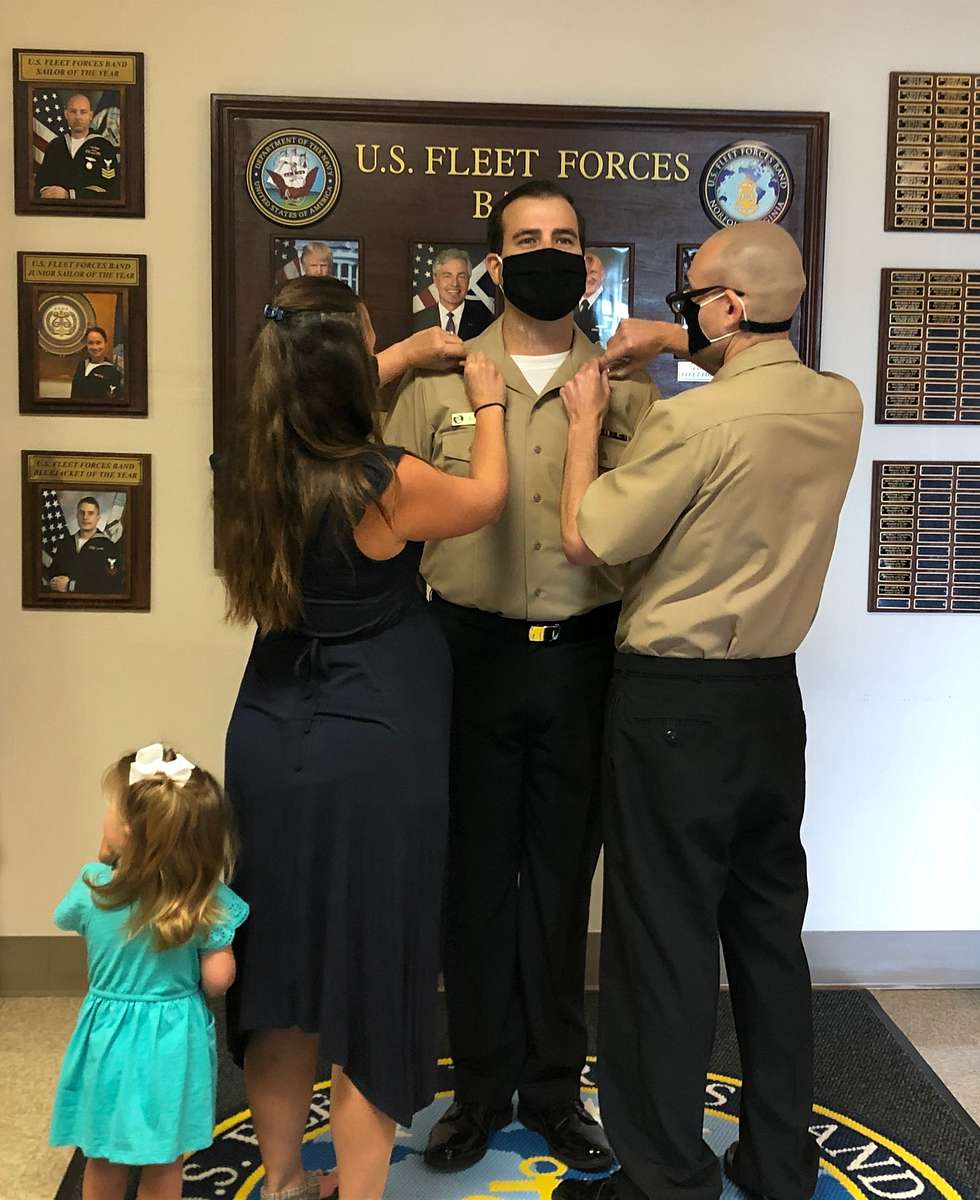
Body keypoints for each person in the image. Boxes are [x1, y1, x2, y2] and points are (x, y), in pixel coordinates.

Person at [551, 222, 862, 1200]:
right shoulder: (837, 405)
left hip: (671, 707)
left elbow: (586, 535)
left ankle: (661, 1178)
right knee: (766, 938)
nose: (684, 310)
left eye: (695, 297)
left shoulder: (692, 425)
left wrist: (580, 421)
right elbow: (755, 372)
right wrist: (675, 339)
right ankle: (777, 1166)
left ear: (728, 306)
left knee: (661, 947)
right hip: (770, 703)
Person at [384, 180, 659, 1175]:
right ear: (493, 266)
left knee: (557, 885)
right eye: (524, 240)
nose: (546, 254)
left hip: (584, 662)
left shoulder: (624, 388)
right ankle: (477, 1091)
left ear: (588, 267)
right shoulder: (436, 380)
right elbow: (374, 521)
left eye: (565, 241)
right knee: (473, 888)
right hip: (465, 660)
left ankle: (553, 1091)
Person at [216, 275, 508, 1200]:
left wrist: (396, 354)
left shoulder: (244, 470)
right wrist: (489, 403)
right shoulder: (391, 483)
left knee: (281, 972)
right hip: (375, 747)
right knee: (370, 977)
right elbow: (489, 495)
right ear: (349, 367)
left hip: (268, 738)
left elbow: (309, 395)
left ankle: (282, 1181)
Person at [49, 743, 251, 1200]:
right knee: (164, 1159)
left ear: (125, 830)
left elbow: (67, 918)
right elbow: (218, 980)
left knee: (103, 1153)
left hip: (108, 1036)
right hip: (171, 1041)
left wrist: (106, 862)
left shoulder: (94, 887)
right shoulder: (204, 898)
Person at [36, 92, 122, 201]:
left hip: (91, 214)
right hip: (57, 212)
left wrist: (70, 195)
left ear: (91, 115)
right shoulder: (55, 146)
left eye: (83, 112)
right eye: (73, 112)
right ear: (66, 114)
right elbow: (42, 182)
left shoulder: (104, 146)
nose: (78, 117)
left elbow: (110, 191)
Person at [46, 496, 127, 595]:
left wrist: (71, 585)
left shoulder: (108, 546)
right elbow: (53, 573)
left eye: (90, 513)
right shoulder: (65, 543)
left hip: (94, 606)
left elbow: (111, 583)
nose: (85, 517)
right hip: (64, 604)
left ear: (98, 518)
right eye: (82, 513)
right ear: (77, 516)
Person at [413, 248, 493, 339]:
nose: (455, 283)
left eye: (461, 276)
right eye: (447, 276)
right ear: (435, 280)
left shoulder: (486, 321)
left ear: (469, 280)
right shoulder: (419, 321)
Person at [70, 326, 123, 401]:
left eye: (98, 343)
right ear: (86, 345)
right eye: (91, 343)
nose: (95, 347)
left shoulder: (113, 371)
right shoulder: (81, 366)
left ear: (105, 343)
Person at [573, 252, 604, 344]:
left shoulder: (614, 306)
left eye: (593, 272)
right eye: (583, 273)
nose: (587, 278)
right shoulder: (567, 303)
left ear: (602, 274)